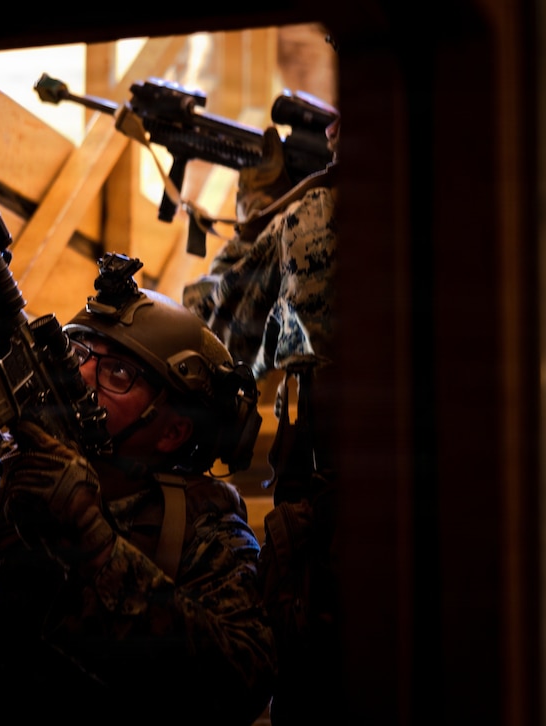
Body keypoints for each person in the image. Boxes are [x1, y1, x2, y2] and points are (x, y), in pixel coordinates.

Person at [0, 193, 277, 725]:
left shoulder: (201, 529)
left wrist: (92, 541)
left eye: (117, 374)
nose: (81, 377)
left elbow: (242, 678)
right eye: (80, 354)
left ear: (173, 431)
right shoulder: (3, 474)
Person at [183, 92, 344, 725]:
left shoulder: (320, 211)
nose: (332, 125)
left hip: (329, 531)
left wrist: (258, 202)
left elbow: (208, 325)